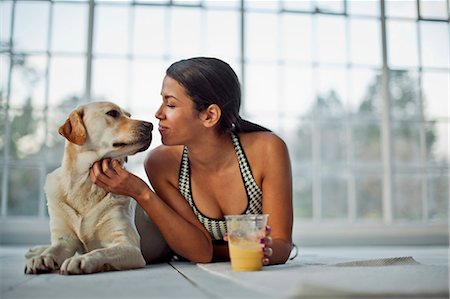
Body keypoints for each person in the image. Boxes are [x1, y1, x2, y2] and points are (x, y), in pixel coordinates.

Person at [89, 57, 293, 265]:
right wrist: (141, 193)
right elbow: (200, 254)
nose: (158, 114)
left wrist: (212, 249)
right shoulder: (161, 163)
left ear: (210, 115)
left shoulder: (267, 149)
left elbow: (281, 245)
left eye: (170, 104)